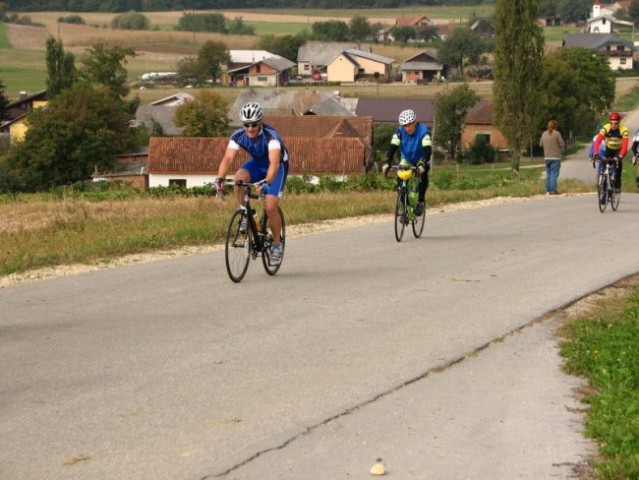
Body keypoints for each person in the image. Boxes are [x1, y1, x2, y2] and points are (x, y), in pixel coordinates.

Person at [216, 102, 289, 265]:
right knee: (238, 180)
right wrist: (219, 178)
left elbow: (274, 163)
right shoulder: (237, 136)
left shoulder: (271, 137)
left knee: (270, 207)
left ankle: (276, 244)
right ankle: (245, 213)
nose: (250, 129)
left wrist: (267, 181)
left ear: (260, 122)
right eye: (246, 125)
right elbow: (228, 158)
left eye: (254, 125)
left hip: (276, 167)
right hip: (257, 163)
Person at [382, 109, 432, 216]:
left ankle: (420, 202)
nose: (407, 128)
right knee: (400, 179)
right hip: (407, 158)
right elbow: (393, 147)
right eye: (405, 125)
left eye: (409, 125)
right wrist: (388, 162)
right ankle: (404, 205)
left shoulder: (423, 132)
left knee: (423, 176)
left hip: (421, 158)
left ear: (415, 122)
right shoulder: (400, 132)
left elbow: (428, 149)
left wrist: (423, 164)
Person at [593, 111, 629, 191]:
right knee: (603, 162)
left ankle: (617, 184)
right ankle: (602, 180)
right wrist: (595, 153)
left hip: (619, 150)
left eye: (616, 123)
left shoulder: (623, 129)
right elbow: (598, 141)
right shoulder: (606, 127)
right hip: (609, 149)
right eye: (611, 123)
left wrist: (619, 156)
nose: (613, 125)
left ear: (619, 122)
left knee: (618, 165)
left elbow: (625, 146)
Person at [539, 119, 565, 195]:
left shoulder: (544, 134)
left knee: (549, 173)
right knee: (554, 173)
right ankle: (553, 190)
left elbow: (540, 144)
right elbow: (562, 144)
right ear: (555, 126)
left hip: (547, 157)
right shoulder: (557, 134)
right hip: (555, 157)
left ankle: (548, 190)